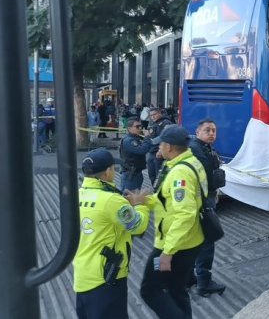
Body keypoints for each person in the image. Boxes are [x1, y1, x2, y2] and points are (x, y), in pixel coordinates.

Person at [132, 126, 208, 318]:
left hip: (174, 245)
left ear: (170, 147)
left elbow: (185, 214)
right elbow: (167, 201)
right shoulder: (190, 162)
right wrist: (145, 201)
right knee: (176, 290)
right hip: (190, 240)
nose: (158, 149)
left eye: (161, 145)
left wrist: (167, 252)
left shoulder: (179, 173)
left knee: (150, 290)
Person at [73, 148, 149, 319]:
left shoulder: (76, 195)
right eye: (114, 169)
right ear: (108, 172)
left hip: (82, 275)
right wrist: (139, 205)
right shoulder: (111, 200)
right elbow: (138, 226)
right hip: (106, 278)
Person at [188, 119, 226, 296]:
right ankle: (204, 281)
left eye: (214, 130)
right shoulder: (196, 150)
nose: (211, 133)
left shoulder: (205, 148)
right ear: (198, 132)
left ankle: (189, 277)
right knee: (207, 240)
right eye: (207, 130)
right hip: (201, 202)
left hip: (206, 197)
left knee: (195, 239)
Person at [119, 117, 152, 192]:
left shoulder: (135, 138)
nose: (140, 128)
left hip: (136, 173)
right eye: (137, 127)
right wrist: (147, 137)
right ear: (129, 128)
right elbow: (142, 150)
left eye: (141, 126)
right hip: (130, 174)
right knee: (129, 197)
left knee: (135, 197)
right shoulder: (129, 140)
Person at [146, 108, 173, 185]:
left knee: (160, 176)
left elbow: (165, 137)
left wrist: (161, 150)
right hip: (151, 152)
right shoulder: (152, 123)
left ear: (159, 113)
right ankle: (154, 190)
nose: (153, 117)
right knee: (151, 175)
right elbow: (148, 136)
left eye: (154, 114)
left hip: (159, 153)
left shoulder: (166, 123)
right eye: (151, 115)